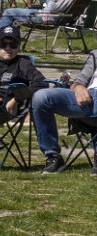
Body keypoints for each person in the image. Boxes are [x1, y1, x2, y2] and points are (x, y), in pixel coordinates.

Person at [32, 46, 97, 174]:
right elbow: (80, 80)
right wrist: (78, 87)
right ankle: (53, 157)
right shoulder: (96, 54)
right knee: (42, 97)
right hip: (88, 98)